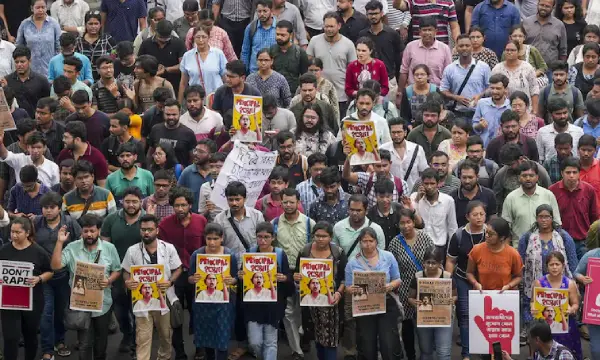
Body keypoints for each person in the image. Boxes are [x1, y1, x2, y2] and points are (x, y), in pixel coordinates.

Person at [51, 214, 122, 360]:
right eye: (85, 231)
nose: (89, 234)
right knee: (84, 344)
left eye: (92, 231)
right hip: (81, 305)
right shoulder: (72, 247)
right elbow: (55, 266)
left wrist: (109, 280)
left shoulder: (109, 248)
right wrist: (59, 242)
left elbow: (117, 269)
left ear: (99, 231)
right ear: (81, 232)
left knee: (101, 344)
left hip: (103, 304)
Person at [121, 214, 182, 360]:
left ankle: (164, 357)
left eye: (149, 229)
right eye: (143, 230)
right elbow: (125, 272)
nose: (146, 233)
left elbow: (178, 268)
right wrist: (127, 281)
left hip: (164, 298)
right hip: (142, 300)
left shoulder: (168, 248)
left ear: (157, 230)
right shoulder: (132, 250)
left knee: (166, 336)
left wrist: (170, 281)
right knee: (142, 338)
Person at [158, 186, 207, 359]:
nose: (180, 209)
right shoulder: (164, 224)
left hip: (197, 275)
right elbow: (161, 252)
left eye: (183, 205)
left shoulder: (201, 221)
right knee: (176, 314)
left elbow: (207, 248)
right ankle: (179, 352)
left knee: (198, 312)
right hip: (174, 276)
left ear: (190, 205)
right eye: (177, 205)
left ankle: (200, 347)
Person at [519, 209, 579, 344]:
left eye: (547, 216)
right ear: (536, 218)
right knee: (536, 329)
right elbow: (520, 261)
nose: (544, 219)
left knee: (560, 328)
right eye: (541, 217)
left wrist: (576, 279)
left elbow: (572, 260)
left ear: (552, 218)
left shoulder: (563, 236)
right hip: (536, 286)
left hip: (560, 288)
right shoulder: (527, 237)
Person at [35, 191, 81, 360]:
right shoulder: (36, 222)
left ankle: (60, 341)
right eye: (45, 208)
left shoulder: (70, 223)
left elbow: (80, 243)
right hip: (44, 275)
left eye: (52, 207)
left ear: (59, 208)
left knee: (61, 311)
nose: (48, 211)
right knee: (46, 312)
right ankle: (47, 349)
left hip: (64, 275)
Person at [345, 227, 402, 360]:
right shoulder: (352, 263)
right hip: (365, 308)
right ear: (360, 242)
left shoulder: (388, 257)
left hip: (386, 304)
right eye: (365, 241)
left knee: (387, 344)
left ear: (376, 241)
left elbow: (397, 279)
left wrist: (390, 286)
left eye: (371, 241)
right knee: (367, 346)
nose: (368, 244)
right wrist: (351, 290)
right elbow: (348, 286)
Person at [0, 217, 53, 360]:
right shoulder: (4, 250)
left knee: (30, 336)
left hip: (32, 301)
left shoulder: (38, 251)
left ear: (27, 233)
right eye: (12, 232)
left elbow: (50, 271)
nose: (14, 235)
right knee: (10, 337)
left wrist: (39, 279)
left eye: (18, 232)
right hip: (9, 301)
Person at [294, 221, 346, 359]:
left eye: (324, 236)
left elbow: (345, 278)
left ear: (331, 237)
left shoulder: (338, 253)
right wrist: (297, 277)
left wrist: (339, 293)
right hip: (311, 303)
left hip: (331, 303)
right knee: (317, 336)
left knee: (330, 340)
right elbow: (297, 274)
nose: (320, 239)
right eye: (317, 235)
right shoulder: (305, 251)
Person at [240, 221, 292, 359]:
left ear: (273, 238)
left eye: (266, 237)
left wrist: (284, 278)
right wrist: (240, 276)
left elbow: (289, 278)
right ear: (255, 237)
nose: (262, 240)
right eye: (259, 237)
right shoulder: (250, 253)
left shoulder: (280, 254)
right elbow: (242, 278)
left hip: (273, 306)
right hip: (253, 306)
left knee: (271, 342)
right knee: (254, 342)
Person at [387, 208, 434, 360]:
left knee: (425, 324)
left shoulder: (425, 238)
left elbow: (434, 261)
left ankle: (426, 354)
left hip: (424, 288)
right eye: (402, 223)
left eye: (408, 222)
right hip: (404, 289)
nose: (406, 226)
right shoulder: (395, 243)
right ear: (398, 225)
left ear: (414, 222)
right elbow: (390, 268)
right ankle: (411, 356)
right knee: (407, 326)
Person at [188, 223, 238, 360]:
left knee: (222, 335)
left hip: (223, 304)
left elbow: (236, 278)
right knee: (206, 336)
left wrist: (232, 281)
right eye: (209, 238)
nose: (212, 242)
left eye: (215, 239)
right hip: (203, 303)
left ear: (222, 238)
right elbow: (190, 278)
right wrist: (193, 278)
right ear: (205, 238)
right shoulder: (197, 254)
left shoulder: (229, 254)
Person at [408, 248, 456, 360]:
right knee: (426, 351)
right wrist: (414, 302)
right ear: (423, 262)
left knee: (444, 353)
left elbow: (454, 295)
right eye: (427, 262)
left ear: (440, 263)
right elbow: (410, 298)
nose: (430, 266)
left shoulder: (447, 277)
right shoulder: (418, 277)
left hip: (443, 319)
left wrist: (452, 300)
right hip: (424, 318)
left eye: (433, 263)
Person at [307, 11, 357, 118]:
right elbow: (309, 66)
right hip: (318, 94)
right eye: (326, 26)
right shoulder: (314, 41)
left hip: (341, 96)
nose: (328, 29)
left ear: (339, 26)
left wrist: (350, 92)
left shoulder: (348, 44)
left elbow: (353, 71)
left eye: (331, 26)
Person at [502, 160, 562, 247]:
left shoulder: (548, 195)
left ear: (537, 177)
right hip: (519, 247)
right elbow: (506, 227)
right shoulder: (511, 198)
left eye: (531, 175)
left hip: (545, 247)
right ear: (519, 177)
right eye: (524, 175)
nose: (528, 178)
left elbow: (557, 223)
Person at [549, 157, 599, 260]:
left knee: (581, 274)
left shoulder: (588, 190)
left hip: (583, 243)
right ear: (562, 173)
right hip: (560, 242)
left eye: (574, 172)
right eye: (568, 172)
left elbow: (595, 216)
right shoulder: (552, 191)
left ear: (579, 173)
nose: (571, 176)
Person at [440, 34, 491, 122]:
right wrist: (455, 97)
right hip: (457, 113)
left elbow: (490, 87)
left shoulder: (483, 67)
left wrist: (480, 96)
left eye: (467, 45)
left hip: (479, 113)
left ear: (472, 47)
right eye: (461, 46)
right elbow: (443, 90)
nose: (464, 48)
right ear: (456, 47)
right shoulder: (450, 69)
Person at [466, 216, 523, 293]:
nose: (487, 236)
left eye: (491, 234)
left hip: (504, 295)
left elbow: (519, 277)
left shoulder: (513, 254)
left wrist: (509, 286)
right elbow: (469, 273)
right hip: (482, 294)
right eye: (486, 232)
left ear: (502, 238)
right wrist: (476, 283)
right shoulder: (477, 250)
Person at [410, 168, 458, 258]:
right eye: (426, 183)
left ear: (438, 183)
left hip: (439, 246)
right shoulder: (414, 197)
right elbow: (411, 218)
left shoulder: (448, 200)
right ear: (421, 183)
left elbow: (452, 227)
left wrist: (450, 251)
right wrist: (417, 200)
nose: (429, 187)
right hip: (418, 245)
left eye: (432, 183)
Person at [398, 16, 452, 92]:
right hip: (414, 92)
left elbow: (448, 74)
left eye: (430, 30)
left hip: (437, 93)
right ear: (419, 32)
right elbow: (404, 71)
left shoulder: (444, 49)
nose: (427, 33)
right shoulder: (410, 47)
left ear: (436, 31)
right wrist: (400, 92)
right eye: (424, 30)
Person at [343, 148, 408, 209]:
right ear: (373, 165)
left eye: (385, 165)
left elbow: (405, 209)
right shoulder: (367, 179)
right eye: (378, 166)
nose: (382, 169)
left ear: (390, 164)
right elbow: (347, 176)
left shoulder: (401, 184)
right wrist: (348, 157)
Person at [179, 24, 227, 100]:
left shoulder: (218, 54)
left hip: (216, 98)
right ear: (194, 38)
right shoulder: (187, 56)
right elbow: (183, 83)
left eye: (204, 37)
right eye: (198, 37)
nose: (201, 40)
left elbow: (225, 78)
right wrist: (179, 104)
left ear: (208, 37)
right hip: (195, 100)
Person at [138, 20, 186, 93]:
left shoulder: (179, 43)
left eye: (166, 38)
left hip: (173, 85)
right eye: (161, 37)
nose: (163, 40)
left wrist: (166, 69)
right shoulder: (146, 44)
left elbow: (183, 65)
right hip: (150, 86)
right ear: (156, 31)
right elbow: (139, 64)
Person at [380, 117, 428, 190]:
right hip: (391, 193)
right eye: (393, 132)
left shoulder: (417, 149)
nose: (396, 135)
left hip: (413, 193)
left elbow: (424, 172)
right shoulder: (383, 149)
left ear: (405, 132)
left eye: (399, 132)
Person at [3, 46, 51, 118]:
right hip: (14, 123)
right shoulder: (7, 81)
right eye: (16, 62)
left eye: (22, 62)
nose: (19, 65)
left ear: (29, 61)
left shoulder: (41, 80)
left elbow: (47, 104)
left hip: (34, 124)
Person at [15, 0, 61, 76]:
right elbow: (19, 46)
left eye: (43, 7)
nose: (40, 10)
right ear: (32, 8)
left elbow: (58, 46)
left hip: (49, 70)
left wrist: (56, 65)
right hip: (30, 70)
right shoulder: (25, 24)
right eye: (37, 7)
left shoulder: (53, 23)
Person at [491, 41, 540, 113]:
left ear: (518, 52)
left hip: (525, 111)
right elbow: (492, 89)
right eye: (507, 50)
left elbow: (534, 89)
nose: (509, 52)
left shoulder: (527, 67)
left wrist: (535, 110)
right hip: (504, 111)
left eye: (513, 50)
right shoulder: (497, 69)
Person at [147, 99, 197, 166]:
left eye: (174, 114)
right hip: (158, 174)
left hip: (179, 174)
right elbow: (150, 154)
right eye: (168, 114)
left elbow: (193, 159)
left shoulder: (188, 133)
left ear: (180, 113)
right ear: (163, 112)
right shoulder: (155, 129)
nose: (171, 117)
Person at [537, 98, 584, 162]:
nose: (562, 116)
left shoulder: (579, 132)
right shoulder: (542, 132)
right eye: (558, 114)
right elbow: (540, 158)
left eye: (565, 113)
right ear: (551, 114)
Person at [522, 0, 568, 66]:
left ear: (553, 7)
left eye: (547, 6)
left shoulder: (559, 25)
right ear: (537, 4)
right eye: (541, 5)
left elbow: (563, 50)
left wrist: (561, 67)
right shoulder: (526, 23)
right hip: (529, 67)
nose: (543, 8)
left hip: (551, 68)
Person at [501, 322, 577, 360]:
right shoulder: (540, 353)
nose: (528, 342)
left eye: (529, 338)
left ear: (537, 340)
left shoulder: (563, 355)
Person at [270, 20, 309, 94]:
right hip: (274, 92)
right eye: (277, 34)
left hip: (293, 93)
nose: (279, 37)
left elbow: (304, 76)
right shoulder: (271, 51)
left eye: (283, 35)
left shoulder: (300, 53)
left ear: (291, 35)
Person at [472, 73, 512, 147]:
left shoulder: (511, 106)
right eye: (492, 88)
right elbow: (475, 126)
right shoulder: (482, 103)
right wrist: (479, 126)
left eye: (498, 88)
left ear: (505, 89)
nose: (494, 91)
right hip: (485, 147)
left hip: (505, 147)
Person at [75, 11, 116, 81]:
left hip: (103, 79)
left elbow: (114, 55)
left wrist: (106, 64)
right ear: (85, 25)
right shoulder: (78, 41)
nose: (93, 26)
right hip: (83, 79)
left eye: (96, 24)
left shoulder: (108, 39)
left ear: (100, 25)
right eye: (90, 24)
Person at [177, 138, 215, 213]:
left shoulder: (217, 174)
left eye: (201, 152)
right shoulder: (187, 172)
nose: (196, 154)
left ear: (211, 155)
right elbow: (178, 195)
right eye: (195, 150)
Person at [240, 0, 277, 74]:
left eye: (265, 11)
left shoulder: (279, 28)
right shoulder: (251, 28)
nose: (262, 14)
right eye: (259, 11)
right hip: (254, 72)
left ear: (271, 11)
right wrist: (244, 72)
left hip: (274, 72)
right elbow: (245, 52)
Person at [198, 152, 225, 222]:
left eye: (218, 167)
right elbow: (201, 215)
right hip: (213, 227)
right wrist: (208, 209)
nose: (213, 170)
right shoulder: (205, 187)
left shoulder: (235, 186)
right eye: (211, 166)